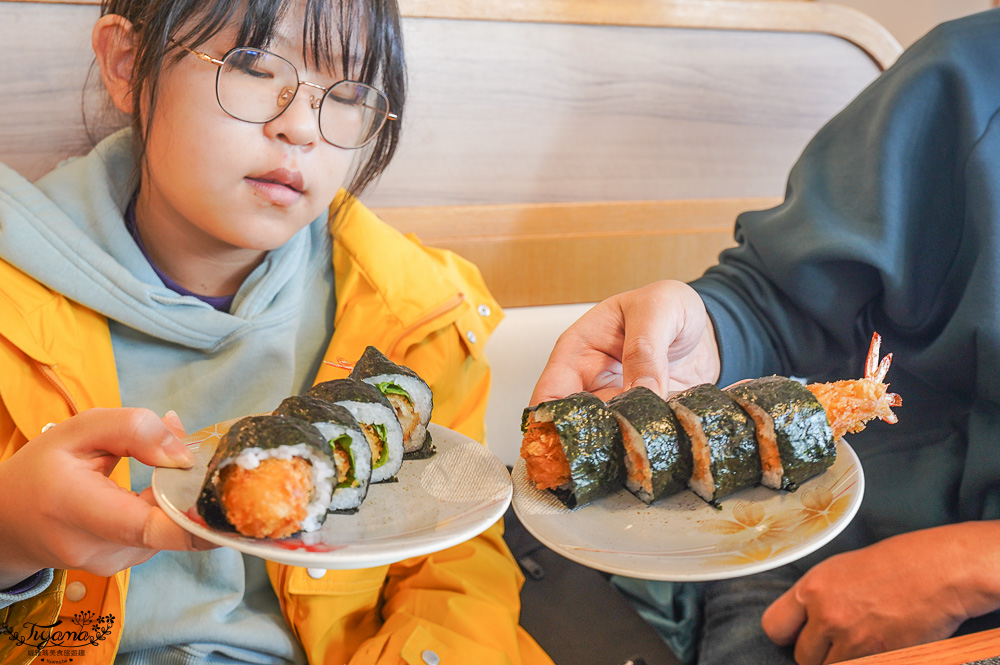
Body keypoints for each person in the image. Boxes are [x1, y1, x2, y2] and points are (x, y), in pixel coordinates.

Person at [0, 1, 553, 664]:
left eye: (346, 91)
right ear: (127, 64)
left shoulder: (415, 315)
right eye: (256, 66)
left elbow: (455, 572)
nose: (301, 128)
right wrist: (8, 538)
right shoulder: (13, 296)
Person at [531, 8, 1000, 665]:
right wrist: (709, 330)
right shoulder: (969, 80)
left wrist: (973, 565)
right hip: (830, 560)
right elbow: (779, 300)